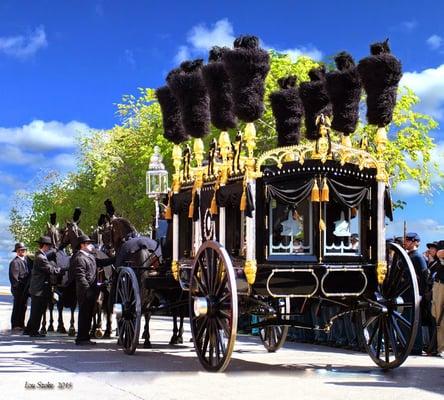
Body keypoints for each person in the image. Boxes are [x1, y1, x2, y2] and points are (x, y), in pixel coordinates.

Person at [72, 234, 114, 345]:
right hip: (85, 291)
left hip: (92, 290)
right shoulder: (79, 258)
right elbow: (80, 276)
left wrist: (114, 259)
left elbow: (101, 263)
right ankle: (81, 338)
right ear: (82, 245)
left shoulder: (89, 256)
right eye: (88, 243)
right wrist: (88, 290)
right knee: (84, 314)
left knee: (89, 314)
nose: (91, 246)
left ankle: (85, 337)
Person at [26, 236, 60, 337]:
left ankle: (30, 330)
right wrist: (63, 269)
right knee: (37, 311)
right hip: (38, 289)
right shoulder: (41, 257)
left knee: (37, 311)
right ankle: (33, 331)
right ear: (45, 246)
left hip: (39, 288)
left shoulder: (40, 255)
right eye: (49, 246)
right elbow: (50, 269)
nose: (49, 248)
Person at [404, 232, 429, 355]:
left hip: (414, 294)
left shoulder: (418, 257)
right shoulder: (408, 257)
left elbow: (424, 277)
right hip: (406, 294)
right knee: (406, 321)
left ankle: (416, 347)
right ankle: (408, 346)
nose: (406, 242)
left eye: (408, 240)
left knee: (414, 322)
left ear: (415, 242)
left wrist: (421, 294)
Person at [9, 242, 32, 331]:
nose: (22, 251)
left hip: (26, 289)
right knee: (17, 306)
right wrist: (18, 289)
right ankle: (15, 324)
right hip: (18, 289)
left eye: (23, 250)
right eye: (20, 250)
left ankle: (21, 324)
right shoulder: (15, 262)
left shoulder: (27, 260)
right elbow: (14, 279)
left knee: (24, 307)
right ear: (17, 251)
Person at [432, 240, 444, 357]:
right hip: (441, 285)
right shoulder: (442, 243)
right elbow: (440, 253)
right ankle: (442, 348)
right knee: (439, 317)